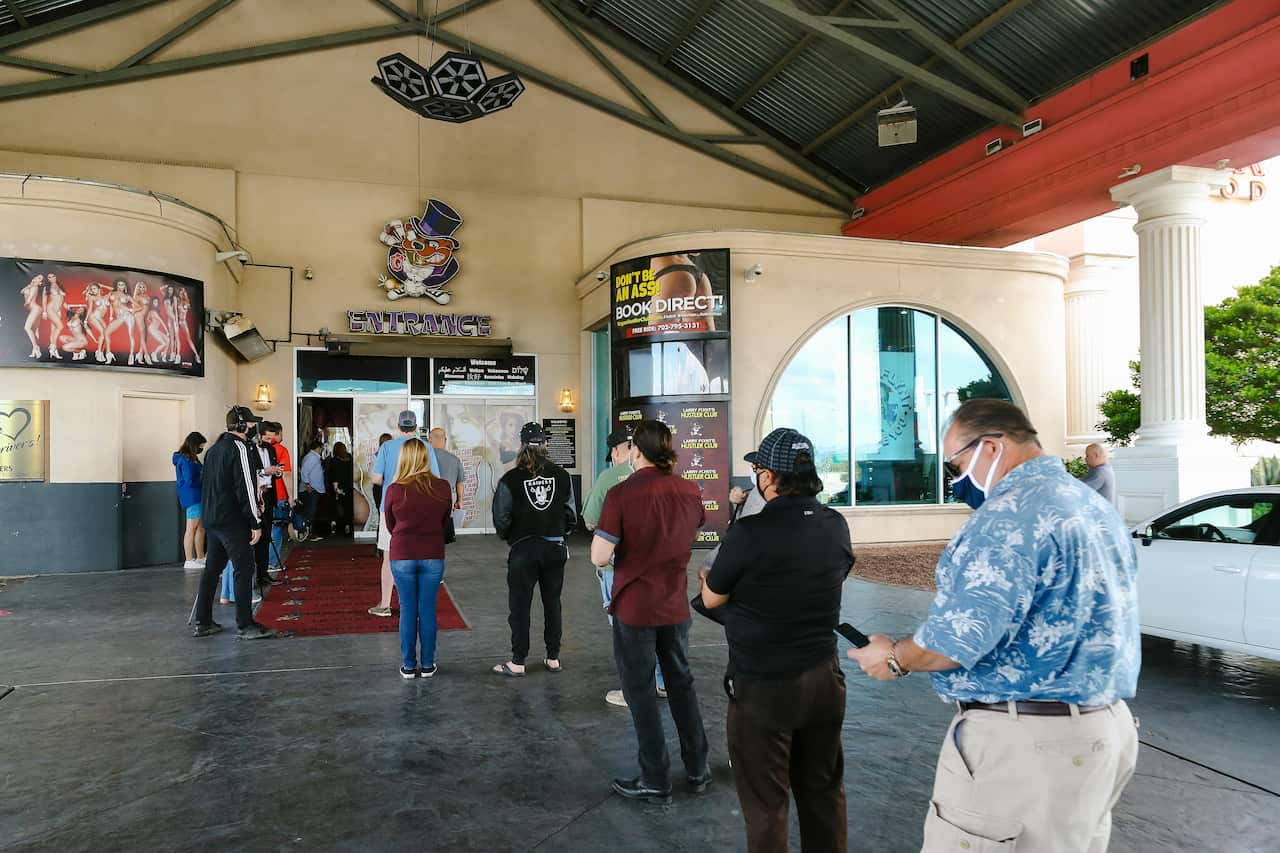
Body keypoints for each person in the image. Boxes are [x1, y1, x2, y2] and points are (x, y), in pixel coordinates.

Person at [847, 399, 1140, 853]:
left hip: (1029, 747)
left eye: (955, 463)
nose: (954, 477)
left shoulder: (1008, 516)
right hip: (1104, 733)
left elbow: (954, 640)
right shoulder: (1090, 504)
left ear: (989, 447)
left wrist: (892, 656)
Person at [699, 428, 854, 853]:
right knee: (823, 793)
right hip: (825, 678)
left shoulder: (750, 532)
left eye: (756, 470)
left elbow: (712, 595)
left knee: (767, 804)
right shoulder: (835, 526)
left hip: (765, 686)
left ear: (769, 477)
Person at [590, 419, 710, 805]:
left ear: (635, 451)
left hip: (635, 607)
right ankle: (697, 767)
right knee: (681, 685)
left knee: (639, 691)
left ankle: (655, 777)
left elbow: (599, 555)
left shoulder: (622, 493)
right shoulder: (690, 490)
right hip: (674, 604)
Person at [582, 428, 666, 708]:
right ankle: (663, 681)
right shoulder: (668, 481)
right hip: (658, 567)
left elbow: (591, 520)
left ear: (619, 451)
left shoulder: (610, 479)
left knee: (625, 630)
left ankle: (634, 690)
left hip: (619, 569)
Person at [191, 405, 283, 640]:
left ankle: (202, 621)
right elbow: (246, 486)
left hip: (212, 518)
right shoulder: (239, 448)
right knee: (245, 568)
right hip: (232, 520)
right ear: (241, 425)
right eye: (251, 423)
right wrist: (255, 521)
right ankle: (246, 624)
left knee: (213, 569)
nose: (254, 427)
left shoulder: (213, 450)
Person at [491, 422, 575, 677]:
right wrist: (560, 532)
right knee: (553, 604)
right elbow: (570, 514)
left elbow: (501, 516)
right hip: (554, 548)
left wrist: (511, 537)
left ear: (522, 445)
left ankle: (518, 661)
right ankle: (553, 658)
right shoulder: (562, 476)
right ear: (545, 444)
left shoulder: (510, 478)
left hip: (524, 549)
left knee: (520, 605)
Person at [384, 440, 452, 679]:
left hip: (402, 553)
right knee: (428, 609)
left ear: (403, 459)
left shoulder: (394, 489)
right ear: (426, 458)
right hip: (433, 553)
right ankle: (428, 664)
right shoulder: (442, 487)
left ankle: (409, 665)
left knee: (407, 609)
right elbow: (445, 521)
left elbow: (390, 524)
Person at [368, 412, 439, 617]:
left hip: (391, 509)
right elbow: (435, 479)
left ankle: (384, 605)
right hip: (420, 509)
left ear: (398, 427)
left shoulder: (387, 447)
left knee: (390, 557)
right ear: (416, 427)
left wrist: (391, 480)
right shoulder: (425, 447)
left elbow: (376, 478)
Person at [173, 431, 207, 569]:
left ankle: (200, 557)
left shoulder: (192, 458)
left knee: (201, 528)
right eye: (200, 445)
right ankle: (189, 559)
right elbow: (189, 479)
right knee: (191, 528)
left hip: (198, 495)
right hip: (193, 496)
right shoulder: (185, 460)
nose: (201, 448)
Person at [261, 422, 293, 570]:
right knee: (277, 529)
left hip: (262, 496)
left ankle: (263, 562)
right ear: (278, 433)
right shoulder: (281, 450)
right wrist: (291, 497)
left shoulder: (258, 449)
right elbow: (286, 474)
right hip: (279, 495)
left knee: (266, 528)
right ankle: (272, 562)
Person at [426, 427, 466, 521]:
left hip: (427, 497)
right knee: (446, 525)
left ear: (430, 440)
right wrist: (459, 501)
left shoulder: (423, 458)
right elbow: (460, 483)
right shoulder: (455, 460)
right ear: (445, 440)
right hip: (448, 499)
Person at [298, 439, 327, 537]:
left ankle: (309, 531)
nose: (322, 450)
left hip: (313, 488)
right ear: (318, 448)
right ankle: (308, 532)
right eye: (321, 448)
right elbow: (304, 471)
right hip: (311, 489)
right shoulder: (312, 458)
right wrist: (308, 485)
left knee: (311, 510)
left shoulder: (313, 457)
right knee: (310, 511)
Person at [327, 441, 354, 536]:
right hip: (349, 486)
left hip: (338, 487)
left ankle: (334, 526)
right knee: (347, 507)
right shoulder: (350, 459)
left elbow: (334, 475)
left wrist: (336, 488)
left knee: (335, 507)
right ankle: (347, 526)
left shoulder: (334, 460)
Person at [371, 432, 393, 524]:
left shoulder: (375, 455)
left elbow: (373, 475)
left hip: (377, 487)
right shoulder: (391, 455)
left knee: (381, 515)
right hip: (387, 486)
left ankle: (380, 536)